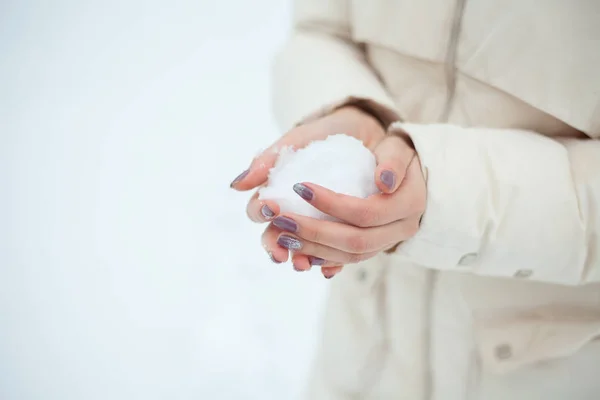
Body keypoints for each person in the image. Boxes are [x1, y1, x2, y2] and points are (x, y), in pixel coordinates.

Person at [230, 0, 600, 398]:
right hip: (368, 343)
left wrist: (443, 190)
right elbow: (319, 30)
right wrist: (351, 107)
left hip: (541, 365)